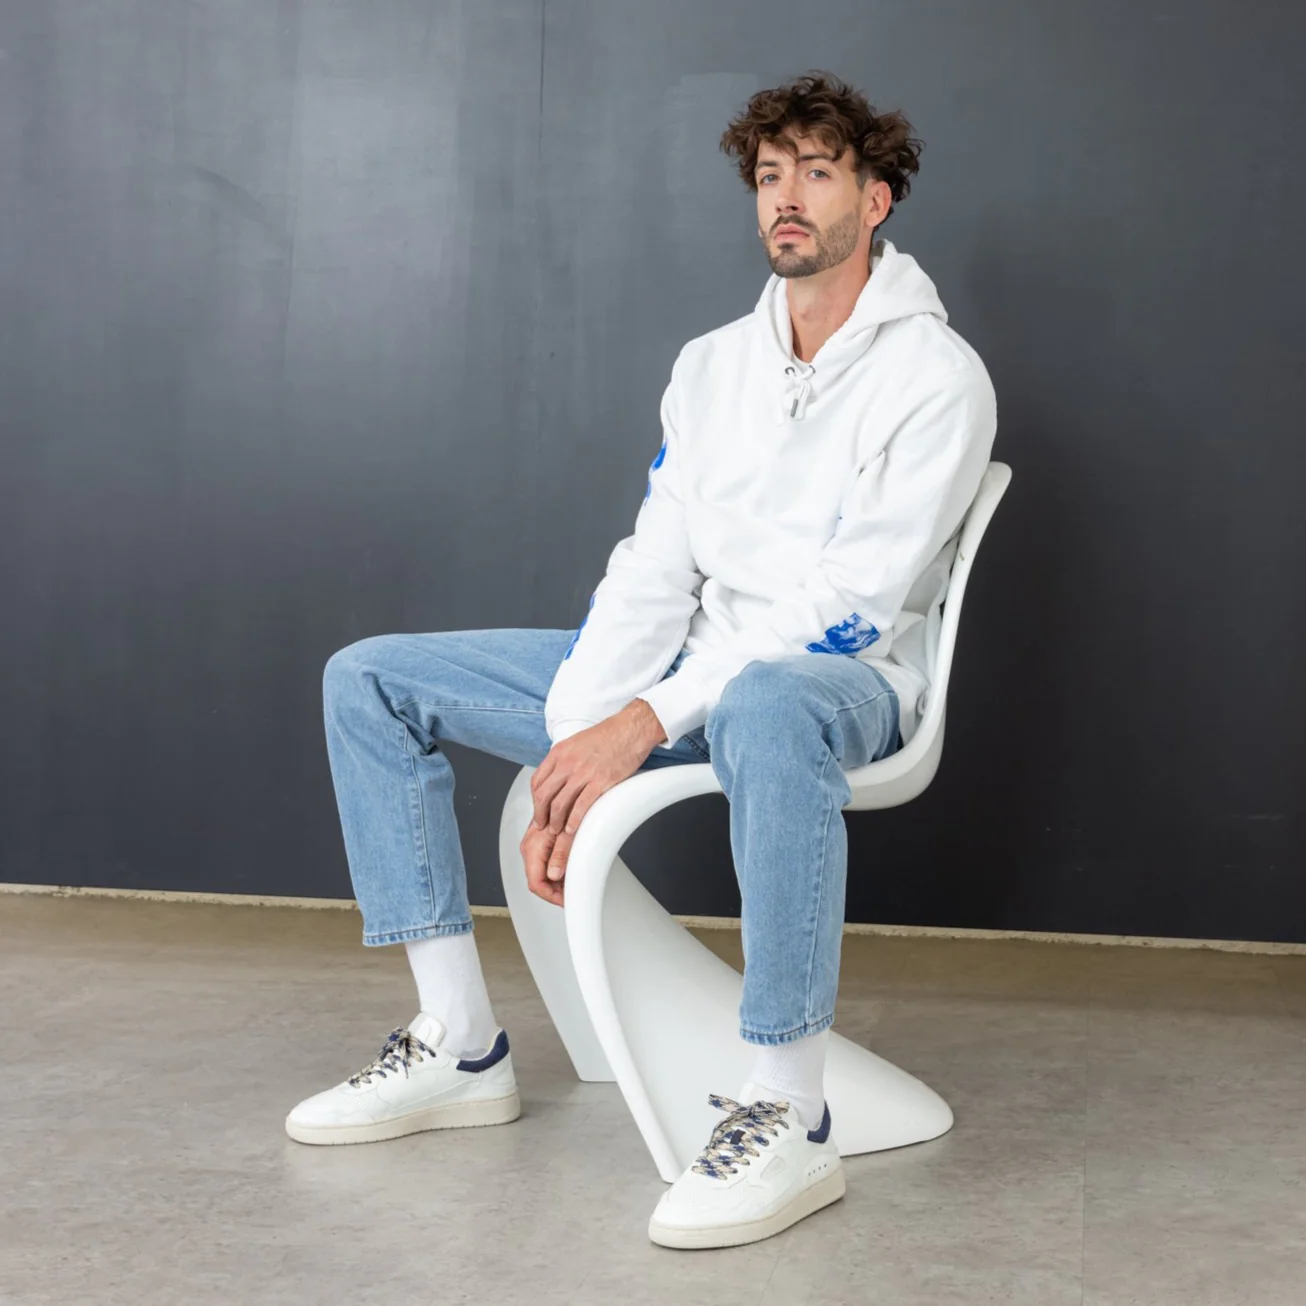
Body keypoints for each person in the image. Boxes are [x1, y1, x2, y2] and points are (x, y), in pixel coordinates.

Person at [285, 70, 996, 1250]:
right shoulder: (710, 366)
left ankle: (787, 1106)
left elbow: (850, 610)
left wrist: (644, 723)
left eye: (817, 173)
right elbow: (653, 566)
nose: (786, 198)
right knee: (369, 676)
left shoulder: (937, 378)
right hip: (684, 670)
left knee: (765, 700)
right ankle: (459, 1040)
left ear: (875, 200)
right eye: (768, 176)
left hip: (841, 685)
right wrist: (582, 736)